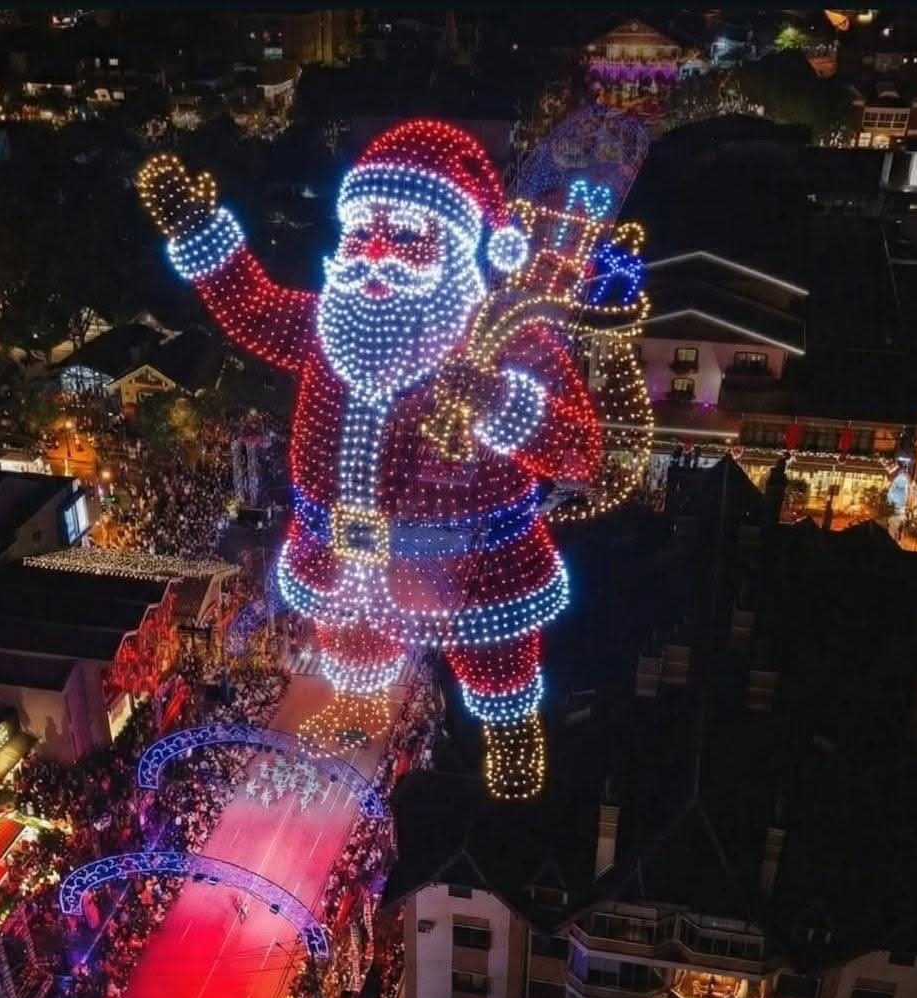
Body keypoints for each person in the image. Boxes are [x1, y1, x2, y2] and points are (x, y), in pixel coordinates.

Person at [137, 120, 610, 801]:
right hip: (343, 554)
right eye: (362, 233)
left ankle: (511, 738)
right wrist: (200, 232)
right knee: (354, 649)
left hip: (469, 563)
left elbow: (581, 451)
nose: (377, 253)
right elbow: (252, 308)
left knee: (497, 662)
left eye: (408, 236)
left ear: (459, 246)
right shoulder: (325, 325)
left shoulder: (504, 339)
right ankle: (357, 710)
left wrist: (498, 401)